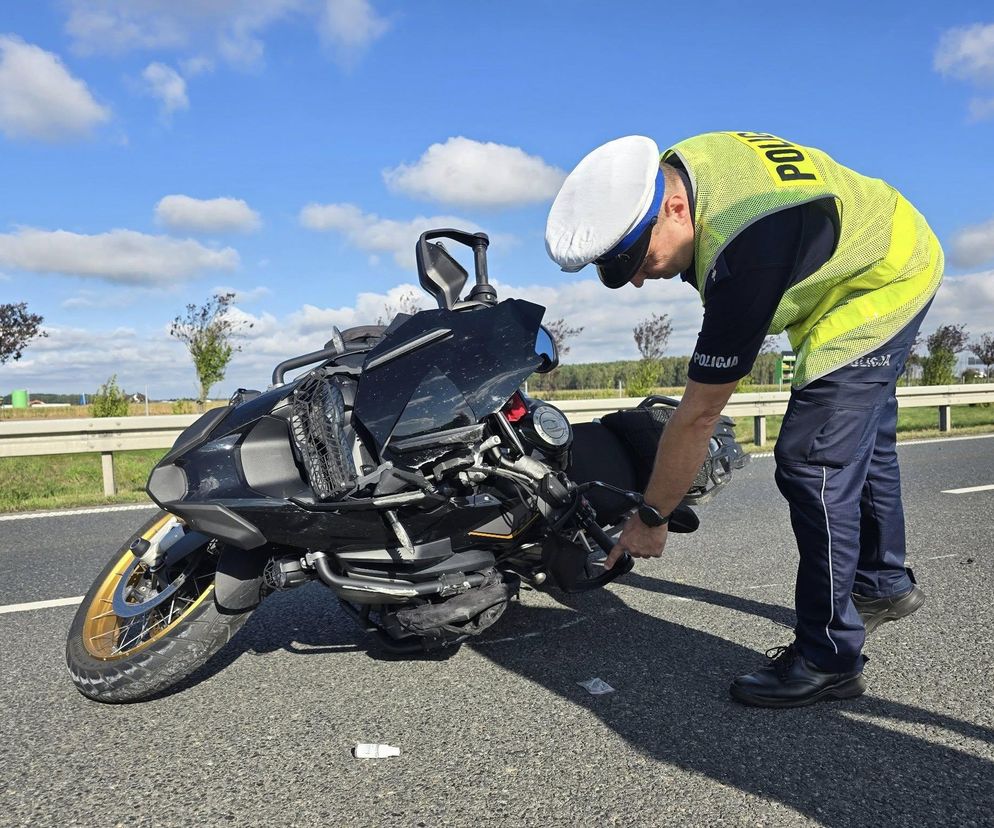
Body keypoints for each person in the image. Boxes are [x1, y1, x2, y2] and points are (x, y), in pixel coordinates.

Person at [544, 132, 943, 708]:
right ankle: (881, 586)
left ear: (673, 208)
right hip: (874, 243)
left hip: (883, 278)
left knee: (813, 461)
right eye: (614, 270)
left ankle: (829, 659)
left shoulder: (749, 249)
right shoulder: (681, 168)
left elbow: (699, 413)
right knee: (863, 442)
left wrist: (652, 516)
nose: (633, 280)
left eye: (634, 260)